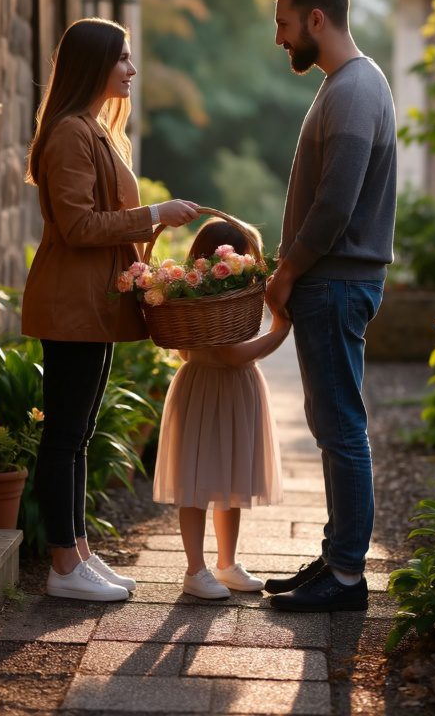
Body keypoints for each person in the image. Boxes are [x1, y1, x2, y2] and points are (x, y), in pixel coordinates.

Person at [22, 17, 199, 602]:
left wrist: (152, 227)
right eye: (123, 57)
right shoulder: (71, 133)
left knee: (78, 433)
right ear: (95, 64)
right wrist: (152, 215)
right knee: (66, 435)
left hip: (90, 303)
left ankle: (78, 553)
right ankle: (63, 563)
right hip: (70, 303)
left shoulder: (91, 128)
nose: (132, 68)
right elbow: (76, 225)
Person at [263, 0, 397, 613]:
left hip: (335, 282)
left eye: (285, 24)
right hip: (337, 283)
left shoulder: (352, 90)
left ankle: (345, 576)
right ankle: (336, 555)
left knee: (341, 426)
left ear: (317, 19)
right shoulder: (351, 86)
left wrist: (287, 270)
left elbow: (335, 205)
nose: (281, 39)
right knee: (331, 422)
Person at [152, 219, 287, 599]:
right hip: (210, 387)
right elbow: (230, 355)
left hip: (230, 388)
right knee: (194, 483)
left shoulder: (227, 295)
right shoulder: (196, 296)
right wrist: (279, 330)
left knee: (231, 479)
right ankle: (196, 569)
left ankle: (226, 563)